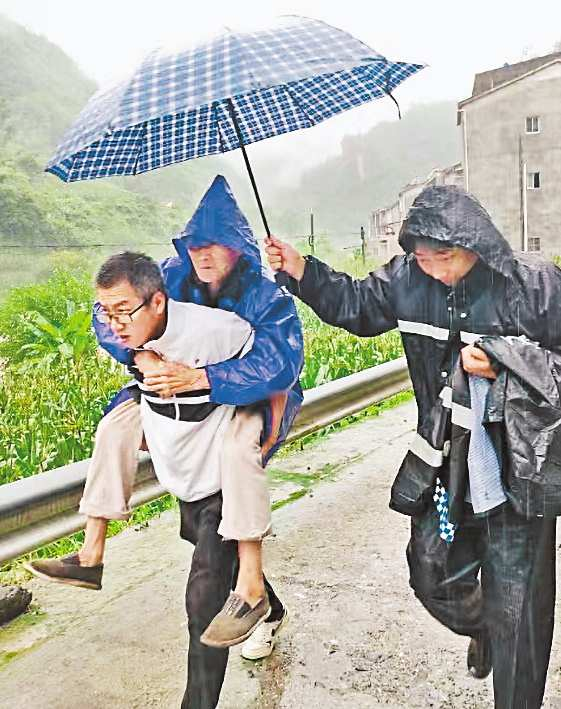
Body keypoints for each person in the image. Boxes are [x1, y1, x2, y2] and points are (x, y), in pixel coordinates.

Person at [266, 184, 561, 709]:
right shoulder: (406, 279)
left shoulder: (535, 287)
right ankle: (487, 626)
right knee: (432, 573)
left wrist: (506, 366)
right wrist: (300, 270)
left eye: (443, 257)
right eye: (422, 259)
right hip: (445, 465)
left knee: (520, 606)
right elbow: (355, 305)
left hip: (520, 468)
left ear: (479, 244)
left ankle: (510, 654)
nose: (434, 270)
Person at [26, 176, 303, 708]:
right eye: (193, 245)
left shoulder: (267, 297)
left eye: (212, 245)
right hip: (178, 421)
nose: (201, 255)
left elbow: (281, 365)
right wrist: (142, 357)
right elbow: (114, 316)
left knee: (206, 583)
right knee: (197, 527)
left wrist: (205, 380)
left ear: (238, 248)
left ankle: (205, 684)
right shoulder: (171, 278)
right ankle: (263, 600)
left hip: (242, 412)